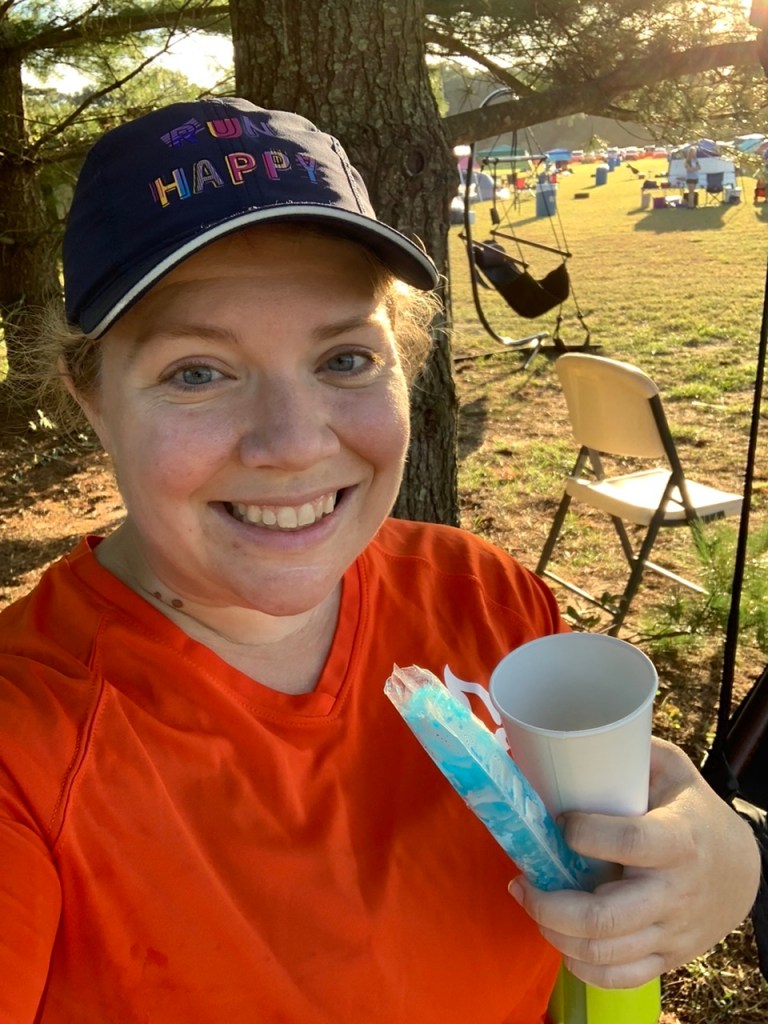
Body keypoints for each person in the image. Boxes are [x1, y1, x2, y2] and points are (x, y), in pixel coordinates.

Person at [0, 96, 760, 1024]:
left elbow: (611, 901)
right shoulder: (28, 749)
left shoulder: (487, 602)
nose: (290, 443)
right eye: (197, 371)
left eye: (346, 360)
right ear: (91, 396)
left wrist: (724, 863)